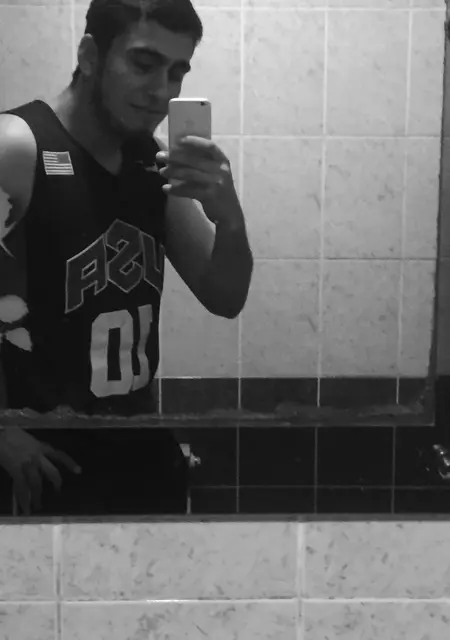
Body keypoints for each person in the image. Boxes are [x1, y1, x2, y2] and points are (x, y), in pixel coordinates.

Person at [0, 0, 253, 515]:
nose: (162, 91)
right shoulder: (17, 148)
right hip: (39, 465)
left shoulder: (150, 161)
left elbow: (225, 296)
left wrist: (229, 218)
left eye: (176, 72)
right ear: (90, 55)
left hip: (138, 452)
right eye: (143, 63)